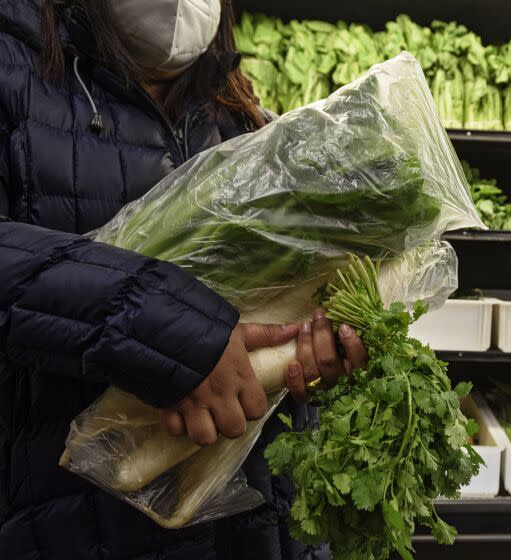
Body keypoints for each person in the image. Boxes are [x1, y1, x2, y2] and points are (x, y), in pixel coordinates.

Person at [0, 1, 367, 558]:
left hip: (249, 533)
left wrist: (308, 357)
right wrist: (165, 329)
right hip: (69, 528)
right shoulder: (14, 65)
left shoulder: (239, 110)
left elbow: (261, 338)